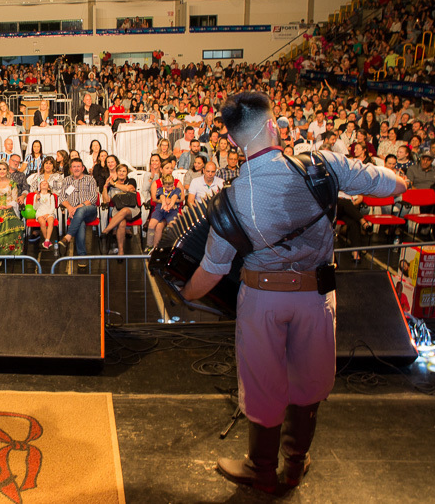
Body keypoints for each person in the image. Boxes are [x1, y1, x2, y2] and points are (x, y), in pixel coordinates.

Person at [180, 92, 406, 494]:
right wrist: (401, 179)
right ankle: (295, 465)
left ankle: (261, 469)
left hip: (262, 300)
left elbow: (212, 272)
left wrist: (184, 292)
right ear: (273, 125)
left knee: (263, 384)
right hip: (316, 295)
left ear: (231, 142)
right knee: (310, 383)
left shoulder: (230, 201)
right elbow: (385, 184)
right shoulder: (324, 165)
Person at [55, 159, 100, 262]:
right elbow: (62, 198)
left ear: (83, 168)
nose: (76, 169)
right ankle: (82, 256)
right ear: (71, 169)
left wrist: (78, 207)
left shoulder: (90, 179)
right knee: (80, 222)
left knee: (80, 211)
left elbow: (93, 198)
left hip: (89, 210)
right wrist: (70, 208)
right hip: (73, 211)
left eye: (78, 166)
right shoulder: (67, 180)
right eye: (74, 167)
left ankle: (68, 236)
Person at [100, 163, 140, 257]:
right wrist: (105, 187)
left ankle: (105, 231)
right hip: (117, 210)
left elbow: (129, 189)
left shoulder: (131, 181)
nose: (121, 173)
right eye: (120, 171)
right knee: (122, 223)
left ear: (127, 173)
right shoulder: (111, 184)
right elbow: (106, 201)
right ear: (116, 172)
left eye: (124, 171)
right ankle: (121, 251)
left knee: (125, 210)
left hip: (132, 209)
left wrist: (114, 184)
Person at [146, 174, 181, 252]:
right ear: (163, 185)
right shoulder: (160, 189)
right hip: (160, 210)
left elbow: (174, 198)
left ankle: (171, 246)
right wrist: (164, 205)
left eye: (171, 186)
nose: (170, 188)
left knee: (172, 225)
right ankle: (150, 245)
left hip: (171, 211)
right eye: (167, 187)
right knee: (151, 225)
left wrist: (170, 206)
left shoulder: (177, 190)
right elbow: (161, 197)